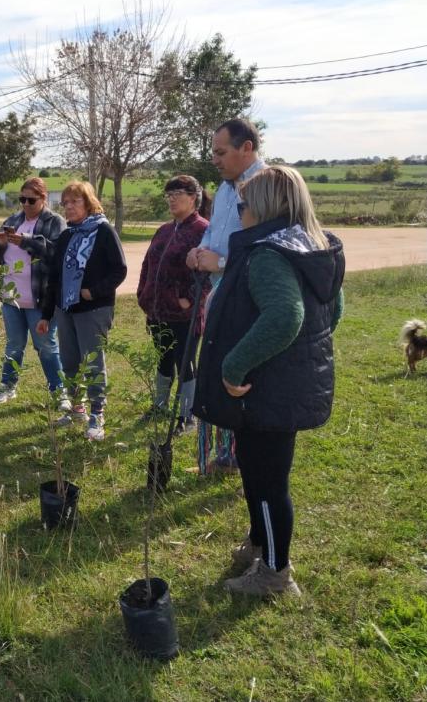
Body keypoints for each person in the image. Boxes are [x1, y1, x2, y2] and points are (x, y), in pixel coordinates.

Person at [193, 166, 344, 596]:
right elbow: (333, 313)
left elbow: (285, 316)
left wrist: (233, 367)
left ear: (262, 208)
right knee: (259, 474)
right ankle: (260, 543)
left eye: (242, 205)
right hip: (288, 380)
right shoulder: (318, 246)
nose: (238, 212)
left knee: (267, 482)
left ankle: (276, 572)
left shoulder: (267, 255)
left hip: (265, 386)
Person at [186, 118, 267, 474]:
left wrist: (219, 262)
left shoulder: (266, 188)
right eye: (213, 153)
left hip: (246, 299)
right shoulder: (223, 190)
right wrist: (200, 251)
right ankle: (219, 453)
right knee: (213, 370)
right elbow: (215, 236)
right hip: (218, 293)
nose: (215, 160)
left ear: (246, 148)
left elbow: (269, 250)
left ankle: (236, 455)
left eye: (221, 152)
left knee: (235, 374)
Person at [37, 181, 127, 441]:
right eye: (65, 203)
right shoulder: (67, 235)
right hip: (66, 309)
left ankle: (98, 412)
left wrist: (94, 291)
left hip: (94, 308)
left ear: (88, 202)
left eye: (74, 201)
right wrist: (46, 314)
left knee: (92, 361)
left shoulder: (104, 231)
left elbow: (119, 270)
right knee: (70, 360)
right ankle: (78, 407)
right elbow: (55, 277)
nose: (68, 207)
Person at [136, 175, 211, 434]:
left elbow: (209, 274)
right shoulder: (165, 230)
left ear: (193, 197)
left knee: (185, 362)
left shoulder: (203, 230)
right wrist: (143, 293)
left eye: (177, 193)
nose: (171, 199)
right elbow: (148, 264)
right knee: (164, 359)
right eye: (168, 195)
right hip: (158, 311)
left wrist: (189, 300)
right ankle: (159, 405)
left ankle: (187, 416)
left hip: (185, 316)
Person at [0, 177, 66, 405]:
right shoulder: (13, 220)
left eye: (31, 200)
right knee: (14, 345)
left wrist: (26, 242)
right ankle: (8, 386)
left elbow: (56, 252)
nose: (26, 204)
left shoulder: (54, 222)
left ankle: (58, 391)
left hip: (40, 299)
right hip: (12, 298)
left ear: (43, 199)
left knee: (46, 346)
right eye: (22, 199)